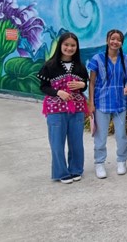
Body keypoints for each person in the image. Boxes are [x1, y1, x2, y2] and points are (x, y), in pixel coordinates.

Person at [37, 32, 88, 184]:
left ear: (77, 47)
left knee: (76, 142)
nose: (69, 48)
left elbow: (85, 84)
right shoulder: (49, 66)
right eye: (66, 45)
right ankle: (61, 172)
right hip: (55, 110)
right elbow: (43, 87)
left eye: (73, 45)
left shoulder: (80, 66)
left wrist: (82, 85)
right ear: (60, 45)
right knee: (57, 142)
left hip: (77, 109)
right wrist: (58, 92)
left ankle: (76, 169)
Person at [87, 29, 127, 179]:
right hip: (102, 103)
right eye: (112, 39)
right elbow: (91, 82)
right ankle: (99, 163)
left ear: (121, 43)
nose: (115, 42)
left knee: (121, 136)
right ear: (107, 40)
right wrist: (91, 103)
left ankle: (121, 160)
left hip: (120, 104)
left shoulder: (126, 59)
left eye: (118, 40)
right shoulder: (97, 59)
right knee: (101, 137)